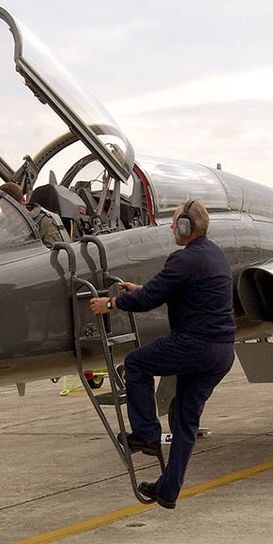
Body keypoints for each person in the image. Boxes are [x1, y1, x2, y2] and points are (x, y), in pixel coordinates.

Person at [89, 200, 235, 509]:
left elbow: (149, 300)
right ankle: (168, 491)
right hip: (221, 352)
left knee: (136, 363)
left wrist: (110, 304)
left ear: (185, 226)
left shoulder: (182, 260)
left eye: (174, 222)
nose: (170, 226)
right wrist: (139, 288)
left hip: (195, 345)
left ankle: (145, 433)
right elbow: (170, 289)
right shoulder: (215, 254)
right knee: (185, 421)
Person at [0, 181, 61, 247]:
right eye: (4, 209)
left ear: (23, 201)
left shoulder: (45, 223)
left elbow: (55, 254)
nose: (9, 215)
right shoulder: (2, 223)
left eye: (12, 210)